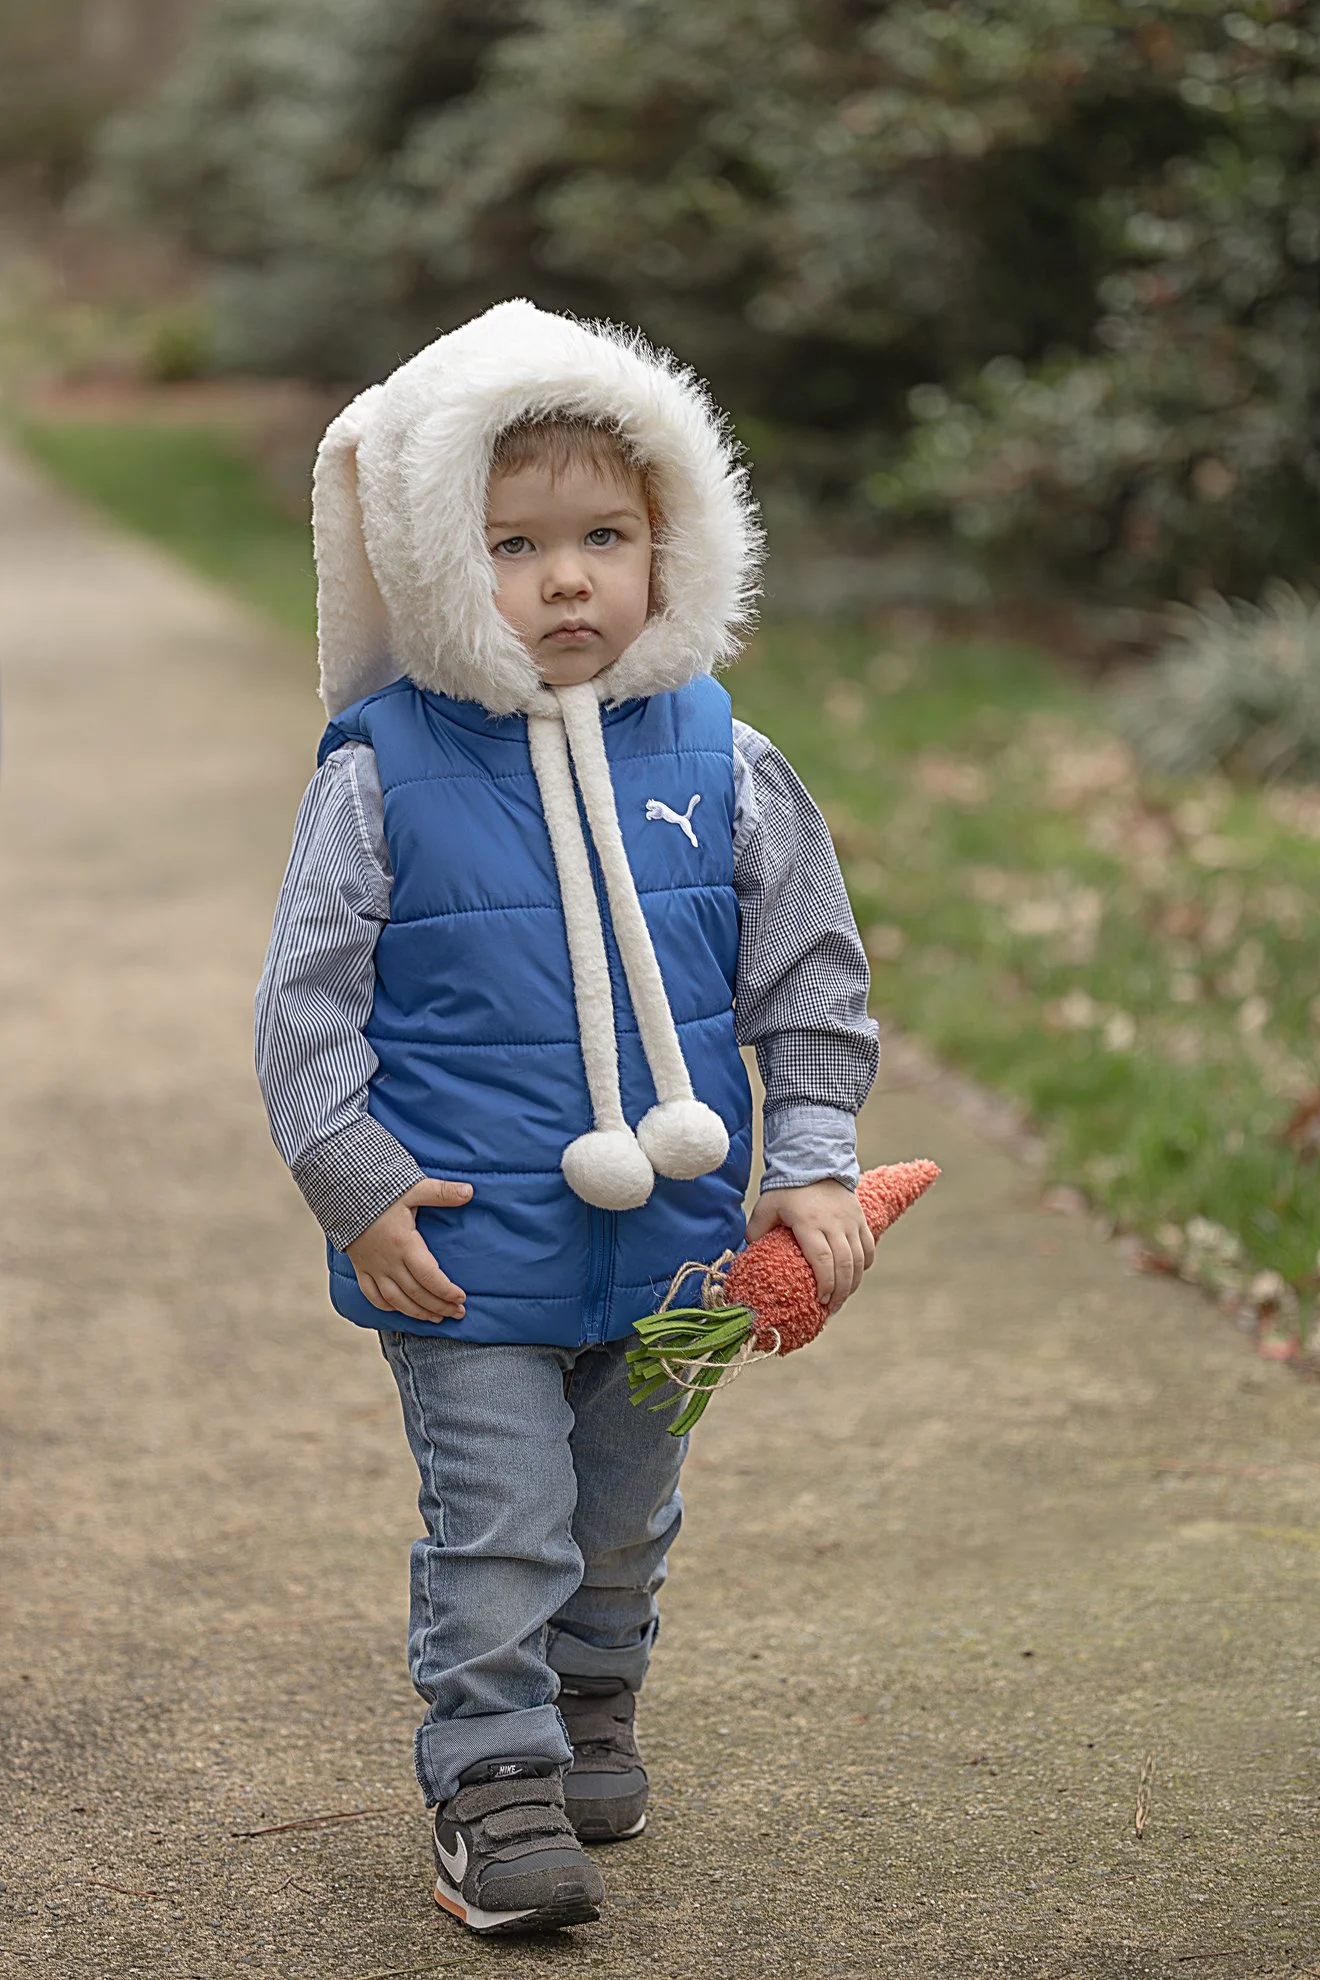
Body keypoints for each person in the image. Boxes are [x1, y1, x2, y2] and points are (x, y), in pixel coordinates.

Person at [255, 299, 879, 1937]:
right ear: (434, 570)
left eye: (606, 535)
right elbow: (303, 1008)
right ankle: (492, 1780)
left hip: (675, 1245)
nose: (568, 581)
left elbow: (810, 978)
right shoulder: (382, 771)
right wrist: (356, 1179)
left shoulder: (725, 758)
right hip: (466, 1252)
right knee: (503, 1526)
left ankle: (593, 1703)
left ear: (675, 540)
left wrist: (811, 1161)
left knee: (621, 1517)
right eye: (513, 547)